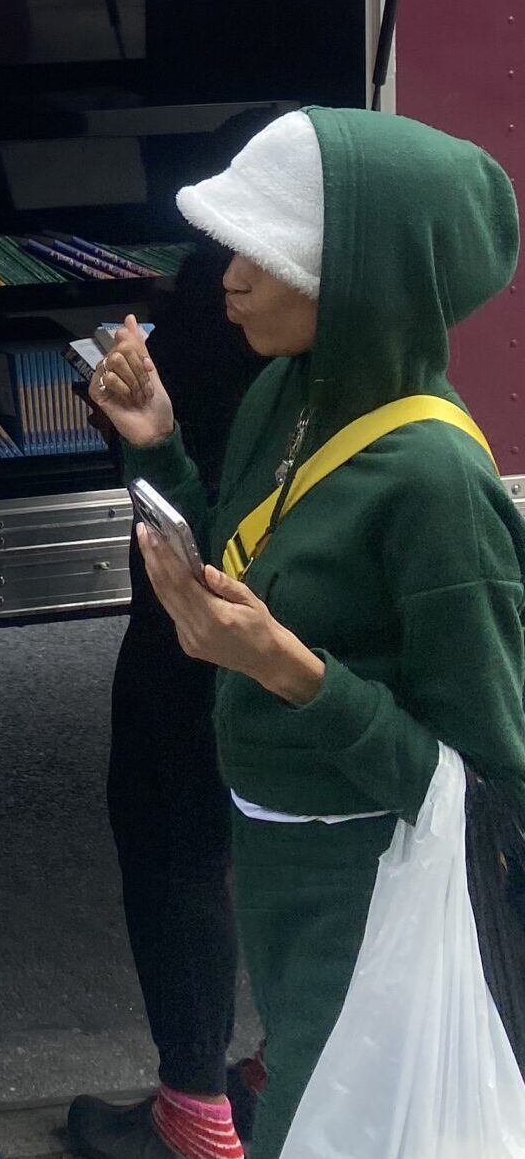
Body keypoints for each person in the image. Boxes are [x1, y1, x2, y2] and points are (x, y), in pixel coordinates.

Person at [89, 108, 525, 1159]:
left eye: (263, 251)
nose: (227, 276)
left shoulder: (436, 480)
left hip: (369, 889)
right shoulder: (286, 395)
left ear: (359, 276)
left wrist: (289, 672)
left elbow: (485, 780)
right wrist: (154, 449)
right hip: (280, 861)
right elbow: (243, 566)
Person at [68, 126, 271, 1159]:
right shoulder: (356, 371)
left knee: (175, 850)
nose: (228, 269)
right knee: (289, 849)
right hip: (245, 648)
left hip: (187, 646)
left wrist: (135, 425)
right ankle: (272, 1076)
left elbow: (192, 524)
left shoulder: (211, 321)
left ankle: (194, 1115)